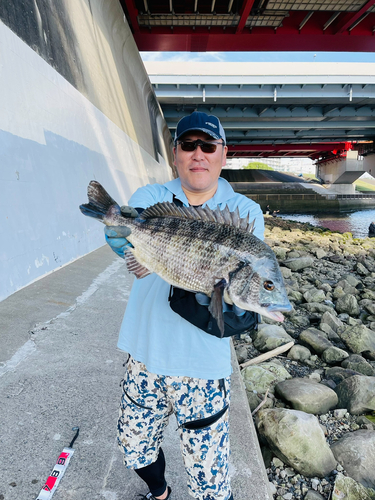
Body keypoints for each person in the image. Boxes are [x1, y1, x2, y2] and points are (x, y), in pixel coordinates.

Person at [104, 111, 265, 500]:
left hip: (203, 366)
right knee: (134, 446)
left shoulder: (245, 214)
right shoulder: (151, 198)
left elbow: (252, 279)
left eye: (208, 146)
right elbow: (131, 235)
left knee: (211, 482)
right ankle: (159, 491)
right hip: (145, 352)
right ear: (175, 154)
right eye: (189, 145)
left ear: (223, 154)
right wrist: (119, 235)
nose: (198, 154)